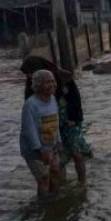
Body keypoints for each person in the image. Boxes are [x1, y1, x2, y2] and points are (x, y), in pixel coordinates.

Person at [20, 56, 92, 185]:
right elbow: (30, 116)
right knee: (59, 162)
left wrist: (74, 119)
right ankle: (61, 188)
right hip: (51, 127)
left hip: (70, 121)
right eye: (27, 74)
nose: (29, 76)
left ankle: (82, 183)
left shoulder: (61, 77)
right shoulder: (32, 85)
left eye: (30, 72)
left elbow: (75, 99)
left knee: (78, 154)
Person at [19, 69, 62, 199]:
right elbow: (29, 129)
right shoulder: (30, 104)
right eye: (47, 82)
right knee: (43, 177)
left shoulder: (53, 99)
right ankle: (44, 205)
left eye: (53, 81)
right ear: (38, 85)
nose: (52, 84)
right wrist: (39, 149)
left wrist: (59, 141)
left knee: (55, 172)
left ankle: (55, 199)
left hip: (51, 145)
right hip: (34, 150)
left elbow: (56, 121)